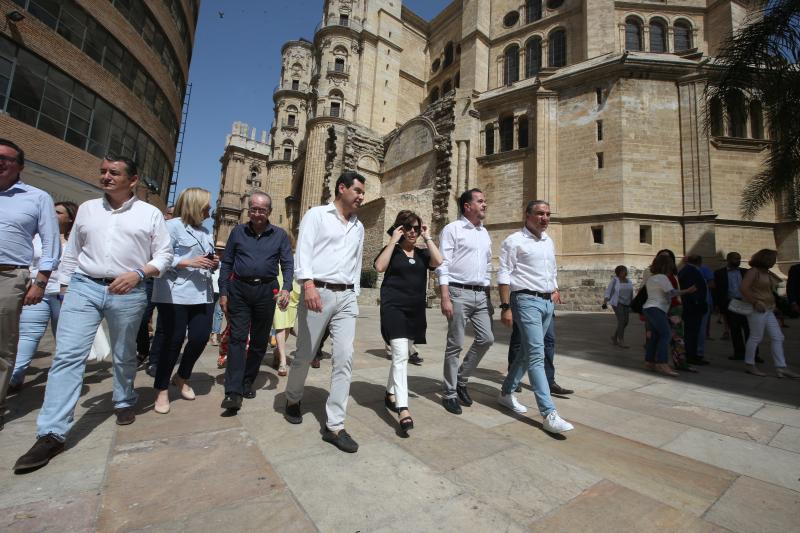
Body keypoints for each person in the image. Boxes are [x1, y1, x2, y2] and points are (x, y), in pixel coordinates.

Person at [14, 155, 172, 472]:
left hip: (128, 289)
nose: (106, 176)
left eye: (114, 172)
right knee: (68, 355)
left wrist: (140, 274)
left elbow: (164, 254)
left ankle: (124, 397)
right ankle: (51, 433)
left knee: (125, 351)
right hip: (84, 286)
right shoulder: (87, 209)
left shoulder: (150, 214)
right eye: (103, 172)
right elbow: (71, 253)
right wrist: (64, 288)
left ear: (133, 180)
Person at [284, 171, 365, 454]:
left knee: (344, 357)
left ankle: (335, 426)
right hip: (317, 291)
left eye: (362, 192)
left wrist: (355, 292)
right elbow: (303, 252)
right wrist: (307, 285)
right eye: (357, 191)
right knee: (305, 354)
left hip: (345, 296)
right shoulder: (317, 215)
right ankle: (293, 398)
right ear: (341, 189)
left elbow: (356, 262)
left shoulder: (359, 226)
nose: (361, 196)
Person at [496, 200, 573, 434]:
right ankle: (549, 413)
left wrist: (555, 288)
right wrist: (506, 306)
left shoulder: (548, 241)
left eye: (548, 214)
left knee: (526, 353)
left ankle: (506, 393)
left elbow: (552, 268)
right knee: (537, 355)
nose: (545, 218)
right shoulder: (514, 241)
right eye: (540, 214)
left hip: (547, 301)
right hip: (525, 300)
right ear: (527, 215)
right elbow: (504, 275)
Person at [0, 139, 60, 431]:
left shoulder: (36, 198)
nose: (0, 162)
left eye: (5, 158)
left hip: (10, 275)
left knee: (4, 343)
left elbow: (51, 245)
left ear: (19, 166)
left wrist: (40, 281)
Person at [218, 192, 292, 412]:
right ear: (248, 210)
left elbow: (288, 264)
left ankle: (248, 380)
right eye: (254, 209)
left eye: (262, 209)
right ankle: (233, 391)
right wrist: (224, 291)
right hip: (239, 289)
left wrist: (286, 287)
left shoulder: (279, 235)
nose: (257, 213)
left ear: (269, 211)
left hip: (266, 291)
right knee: (238, 339)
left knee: (259, 341)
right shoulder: (237, 232)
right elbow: (227, 263)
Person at [374, 210, 442, 436]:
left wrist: (427, 236)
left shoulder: (422, 254)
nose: (413, 231)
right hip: (394, 309)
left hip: (415, 311)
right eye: (408, 228)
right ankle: (403, 408)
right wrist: (393, 240)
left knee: (400, 355)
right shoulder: (392, 252)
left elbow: (438, 261)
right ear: (400, 229)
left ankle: (389, 392)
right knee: (401, 355)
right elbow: (379, 267)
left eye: (416, 227)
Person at [151, 188, 219, 414]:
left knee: (200, 338)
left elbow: (203, 257)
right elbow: (157, 258)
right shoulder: (170, 227)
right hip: (175, 294)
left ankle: (181, 376)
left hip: (202, 293)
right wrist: (188, 262)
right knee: (174, 340)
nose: (210, 210)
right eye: (207, 206)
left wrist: (212, 261)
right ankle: (161, 389)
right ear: (195, 205)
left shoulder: (206, 231)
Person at [9, 201, 78, 392]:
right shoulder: (37, 237)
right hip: (38, 292)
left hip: (66, 295)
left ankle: (63, 381)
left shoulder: (77, 240)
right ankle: (15, 377)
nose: (52, 215)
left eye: (58, 212)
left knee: (65, 340)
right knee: (28, 335)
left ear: (70, 218)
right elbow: (25, 260)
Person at [436, 188, 494, 415]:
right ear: (467, 206)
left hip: (481, 294)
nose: (485, 204)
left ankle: (461, 378)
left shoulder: (484, 233)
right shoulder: (453, 229)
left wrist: (488, 296)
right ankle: (449, 393)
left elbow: (488, 266)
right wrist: (445, 296)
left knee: (487, 338)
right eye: (480, 201)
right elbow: (443, 264)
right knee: (456, 344)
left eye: (484, 200)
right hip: (458, 292)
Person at [740, 249, 798, 378]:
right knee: (756, 336)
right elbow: (744, 288)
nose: (774, 262)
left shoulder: (766, 272)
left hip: (769, 308)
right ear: (766, 259)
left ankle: (781, 367)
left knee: (778, 337)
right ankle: (749, 364)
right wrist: (755, 302)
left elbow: (771, 289)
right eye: (772, 260)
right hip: (757, 308)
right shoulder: (753, 272)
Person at [642, 254, 697, 377]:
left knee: (655, 336)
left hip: (650, 308)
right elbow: (672, 293)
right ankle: (663, 363)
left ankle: (649, 361)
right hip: (656, 309)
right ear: (668, 265)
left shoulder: (653, 278)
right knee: (666, 334)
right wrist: (688, 291)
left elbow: (665, 295)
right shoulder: (663, 278)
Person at [714, 252, 753, 361]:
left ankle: (753, 354)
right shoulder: (719, 273)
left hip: (745, 302)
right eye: (736, 258)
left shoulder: (745, 272)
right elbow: (717, 290)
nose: (738, 260)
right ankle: (739, 353)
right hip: (731, 303)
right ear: (728, 259)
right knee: (735, 330)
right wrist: (719, 305)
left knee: (749, 329)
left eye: (739, 258)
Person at [272, 233, 299, 377]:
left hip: (294, 293)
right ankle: (283, 360)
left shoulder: (296, 256)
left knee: (287, 325)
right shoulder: (273, 255)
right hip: (278, 292)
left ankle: (277, 351)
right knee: (280, 325)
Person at [678, 255, 709, 365]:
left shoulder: (686, 270)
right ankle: (692, 356)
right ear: (699, 262)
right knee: (692, 332)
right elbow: (693, 290)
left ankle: (692, 354)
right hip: (693, 307)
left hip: (690, 306)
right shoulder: (691, 271)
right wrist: (697, 303)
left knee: (691, 331)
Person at [603, 265, 634, 348]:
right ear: (618, 272)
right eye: (623, 271)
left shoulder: (629, 281)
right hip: (617, 303)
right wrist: (605, 302)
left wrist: (632, 302)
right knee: (621, 320)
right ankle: (621, 340)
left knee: (626, 322)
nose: (625, 273)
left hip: (627, 303)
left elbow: (631, 292)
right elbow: (608, 291)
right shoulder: (615, 281)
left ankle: (615, 337)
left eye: (625, 271)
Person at [209, 267, 223, 346]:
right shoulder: (211, 256)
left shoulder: (226, 259)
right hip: (210, 288)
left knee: (219, 313)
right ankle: (208, 334)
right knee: (209, 313)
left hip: (221, 289)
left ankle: (215, 335)